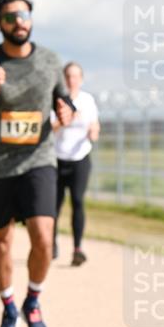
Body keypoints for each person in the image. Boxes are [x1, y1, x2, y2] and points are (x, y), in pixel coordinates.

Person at [0, 0, 75, 327]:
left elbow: (63, 98)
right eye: (10, 17)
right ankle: (9, 305)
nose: (19, 22)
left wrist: (66, 109)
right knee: (1, 243)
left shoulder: (49, 60)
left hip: (38, 160)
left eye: (24, 15)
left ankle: (34, 300)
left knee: (43, 238)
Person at [52, 61, 100, 266]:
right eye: (68, 76)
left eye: (75, 76)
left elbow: (95, 125)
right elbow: (49, 129)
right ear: (64, 79)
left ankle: (77, 248)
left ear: (81, 79)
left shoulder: (87, 100)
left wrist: (93, 132)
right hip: (57, 158)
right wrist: (65, 120)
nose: (72, 80)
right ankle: (51, 242)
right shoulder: (57, 101)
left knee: (78, 201)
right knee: (54, 205)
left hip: (80, 157)